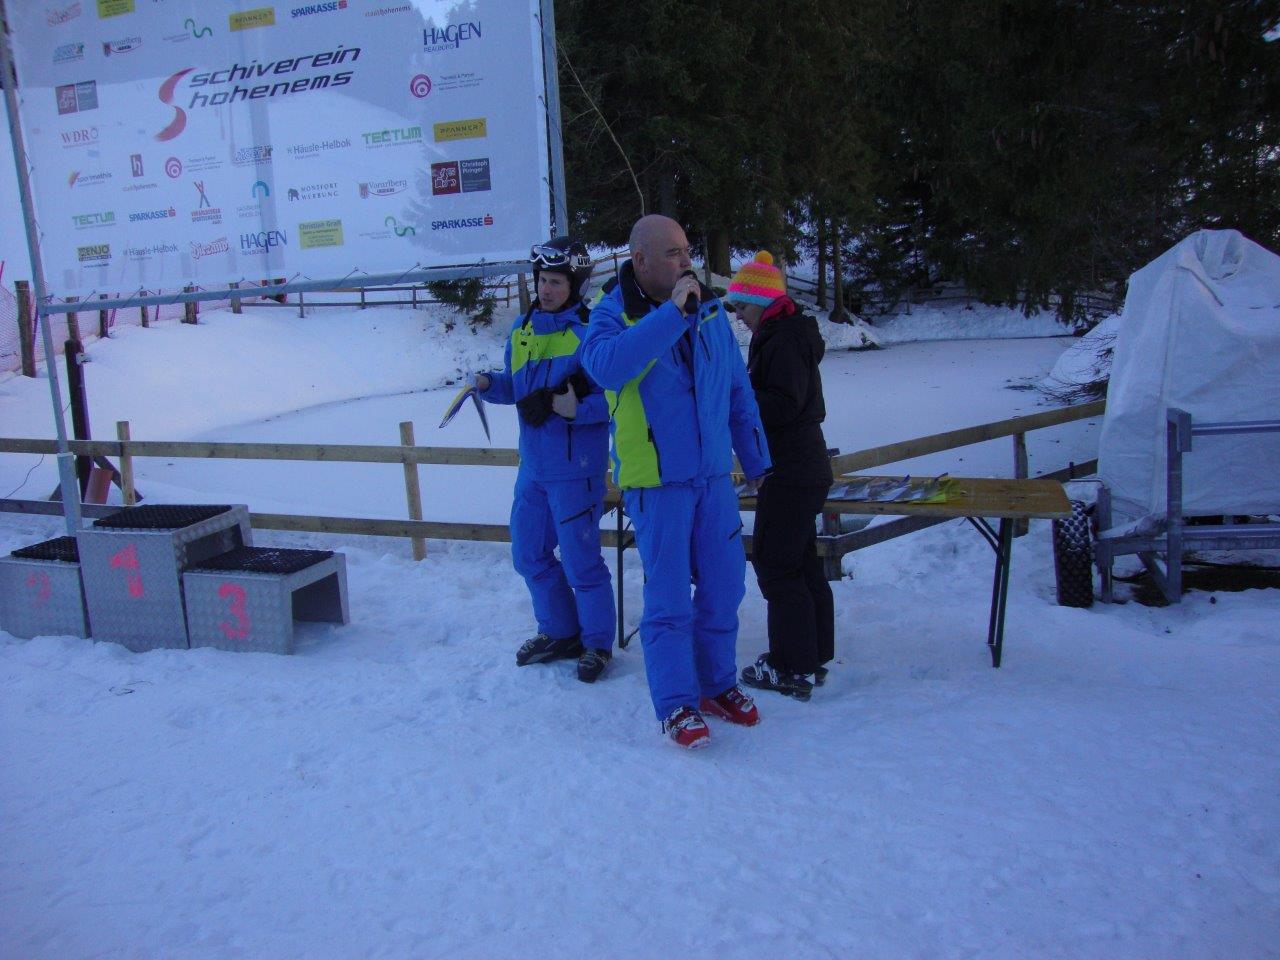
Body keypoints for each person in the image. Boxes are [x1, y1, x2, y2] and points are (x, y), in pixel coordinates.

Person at [581, 215, 771, 748]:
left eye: (687, 251)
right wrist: (671, 314)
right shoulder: (611, 314)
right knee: (668, 599)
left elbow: (736, 389)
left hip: (712, 479)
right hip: (657, 485)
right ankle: (677, 704)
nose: (686, 261)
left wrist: (757, 461)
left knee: (725, 586)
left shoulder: (708, 310)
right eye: (673, 253)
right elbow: (606, 368)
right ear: (640, 259)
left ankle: (717, 685)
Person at [473, 237, 616, 683]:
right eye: (542, 280)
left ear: (575, 285)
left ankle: (597, 643)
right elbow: (518, 389)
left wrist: (576, 409)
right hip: (533, 469)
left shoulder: (591, 333)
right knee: (528, 553)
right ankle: (560, 632)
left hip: (576, 472)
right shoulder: (522, 330)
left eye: (556, 281)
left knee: (580, 561)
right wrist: (489, 384)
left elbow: (616, 400)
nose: (546, 289)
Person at [725, 252, 835, 701]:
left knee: (776, 564)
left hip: (792, 468)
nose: (740, 317)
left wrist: (739, 398)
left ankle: (791, 665)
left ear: (762, 302)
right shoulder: (781, 332)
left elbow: (784, 404)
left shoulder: (783, 337)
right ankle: (813, 655)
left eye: (743, 307)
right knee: (800, 560)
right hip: (800, 466)